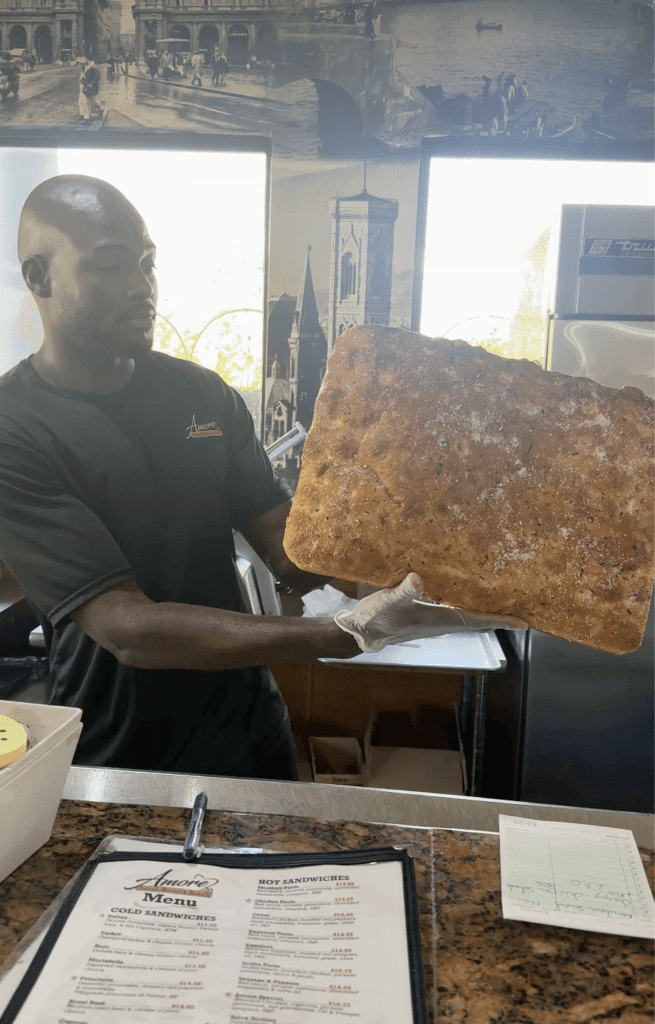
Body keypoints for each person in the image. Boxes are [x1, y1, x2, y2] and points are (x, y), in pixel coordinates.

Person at [0, 175, 525, 779]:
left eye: (147, 265)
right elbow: (127, 628)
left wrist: (412, 576)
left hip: (248, 736)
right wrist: (340, 635)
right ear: (39, 278)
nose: (142, 288)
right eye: (112, 266)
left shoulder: (200, 394)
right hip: (117, 757)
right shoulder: (17, 428)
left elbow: (283, 540)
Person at [78, 58, 99, 122]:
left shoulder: (93, 67)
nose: (81, 62)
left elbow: (96, 78)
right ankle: (83, 115)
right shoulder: (84, 66)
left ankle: (86, 117)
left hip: (88, 86)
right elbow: (82, 74)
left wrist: (90, 85)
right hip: (83, 85)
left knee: (91, 100)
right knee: (82, 100)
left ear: (87, 59)